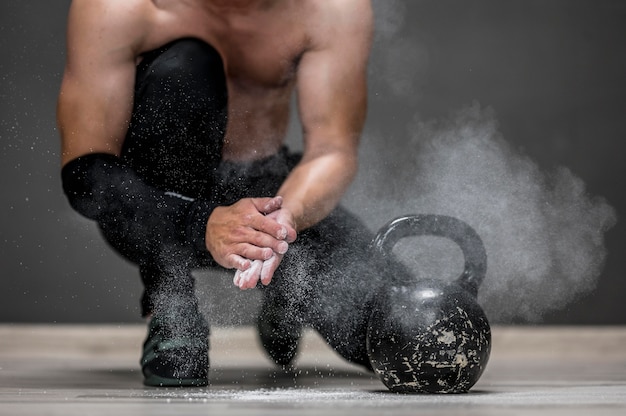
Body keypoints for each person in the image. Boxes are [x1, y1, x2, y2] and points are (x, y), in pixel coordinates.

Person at [58, 0, 384, 387]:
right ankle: (171, 305)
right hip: (153, 206)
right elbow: (87, 172)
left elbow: (331, 151)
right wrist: (202, 222)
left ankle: (286, 291)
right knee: (186, 66)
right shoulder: (122, 7)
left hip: (267, 195)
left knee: (398, 336)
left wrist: (282, 224)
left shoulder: (330, 8)